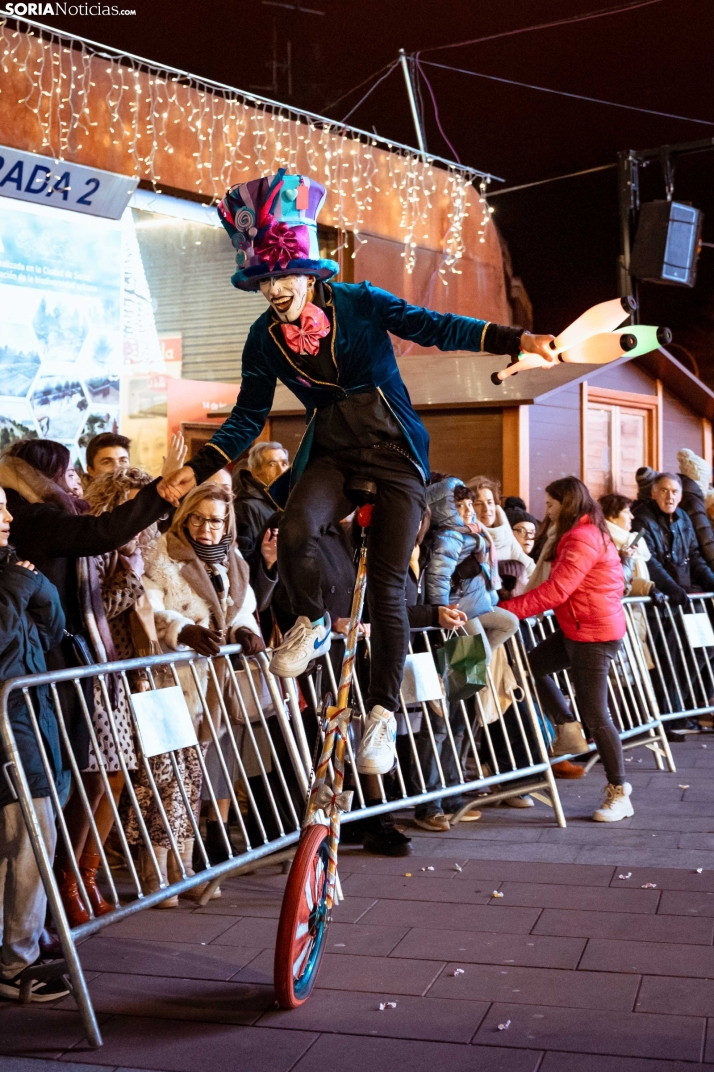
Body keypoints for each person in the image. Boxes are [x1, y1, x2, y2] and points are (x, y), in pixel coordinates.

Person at [158, 168, 557, 779]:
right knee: (296, 529)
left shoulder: (359, 302)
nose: (274, 291)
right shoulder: (263, 338)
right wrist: (198, 466)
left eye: (282, 277)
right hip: (334, 455)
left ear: (307, 273)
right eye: (263, 281)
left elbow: (436, 325)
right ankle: (313, 624)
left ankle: (380, 714)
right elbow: (246, 417)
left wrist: (516, 337)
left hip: (394, 453)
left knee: (392, 586)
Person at [0, 439, 175, 919]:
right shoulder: (36, 519)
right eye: (67, 469)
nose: (5, 519)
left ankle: (65, 891)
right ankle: (44, 911)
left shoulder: (43, 518)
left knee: (83, 780)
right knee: (56, 789)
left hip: (75, 663)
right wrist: (162, 489)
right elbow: (100, 535)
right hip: (52, 670)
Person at [141, 483, 265, 900]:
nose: (207, 527)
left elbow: (240, 605)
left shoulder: (232, 560)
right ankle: (157, 876)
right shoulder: (163, 552)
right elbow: (151, 608)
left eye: (216, 520)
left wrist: (245, 629)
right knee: (164, 780)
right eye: (199, 518)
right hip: (168, 679)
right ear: (185, 516)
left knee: (192, 778)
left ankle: (186, 869)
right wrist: (182, 628)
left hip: (209, 684)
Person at [506, 477, 633, 822]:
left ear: (566, 503)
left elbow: (556, 591)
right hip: (578, 627)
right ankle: (567, 729)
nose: (545, 511)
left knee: (596, 713)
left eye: (549, 505)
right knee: (529, 667)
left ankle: (619, 791)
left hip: (593, 633)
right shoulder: (588, 531)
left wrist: (507, 610)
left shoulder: (581, 537)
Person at [0, 486, 70, 1002]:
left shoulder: (13, 570)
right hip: (10, 737)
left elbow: (49, 633)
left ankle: (16, 949)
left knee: (28, 842)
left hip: (30, 723)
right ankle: (14, 962)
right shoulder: (10, 578)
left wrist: (36, 588)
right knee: (27, 844)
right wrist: (18, 588)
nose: (7, 516)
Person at [633, 473, 714, 605]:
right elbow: (648, 560)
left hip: (684, 594)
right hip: (658, 599)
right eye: (664, 491)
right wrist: (671, 588)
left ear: (680, 496)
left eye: (674, 492)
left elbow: (694, 556)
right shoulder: (641, 518)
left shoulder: (684, 517)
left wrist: (711, 581)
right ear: (654, 493)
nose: (670, 497)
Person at [599, 492, 656, 672]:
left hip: (634, 610)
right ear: (612, 516)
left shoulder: (631, 540)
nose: (632, 516)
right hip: (617, 615)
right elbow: (618, 580)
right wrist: (647, 587)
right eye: (626, 512)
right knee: (621, 672)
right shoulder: (606, 542)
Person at [469, 476, 535, 596]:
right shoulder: (470, 538)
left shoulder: (505, 532)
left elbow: (529, 566)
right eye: (478, 504)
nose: (486, 509)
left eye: (490, 502)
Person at [677, 448, 714, 571]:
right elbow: (706, 539)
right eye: (706, 480)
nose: (708, 484)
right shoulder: (692, 499)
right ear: (699, 479)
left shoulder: (685, 492)